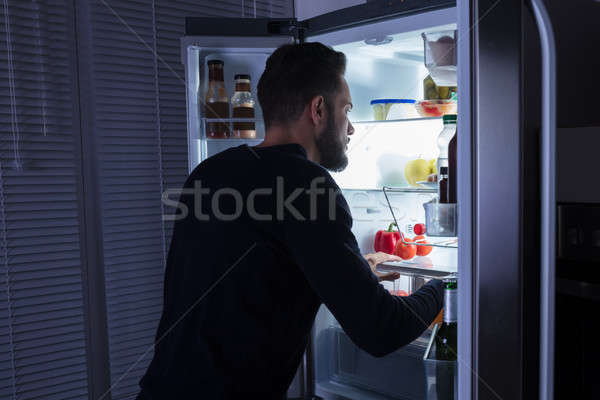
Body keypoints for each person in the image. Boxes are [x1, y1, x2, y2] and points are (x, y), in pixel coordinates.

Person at [136, 42, 443, 399]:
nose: (351, 128)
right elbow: (381, 330)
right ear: (318, 109)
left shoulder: (210, 172)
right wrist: (447, 286)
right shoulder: (309, 186)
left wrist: (353, 269)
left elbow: (256, 272)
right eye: (346, 110)